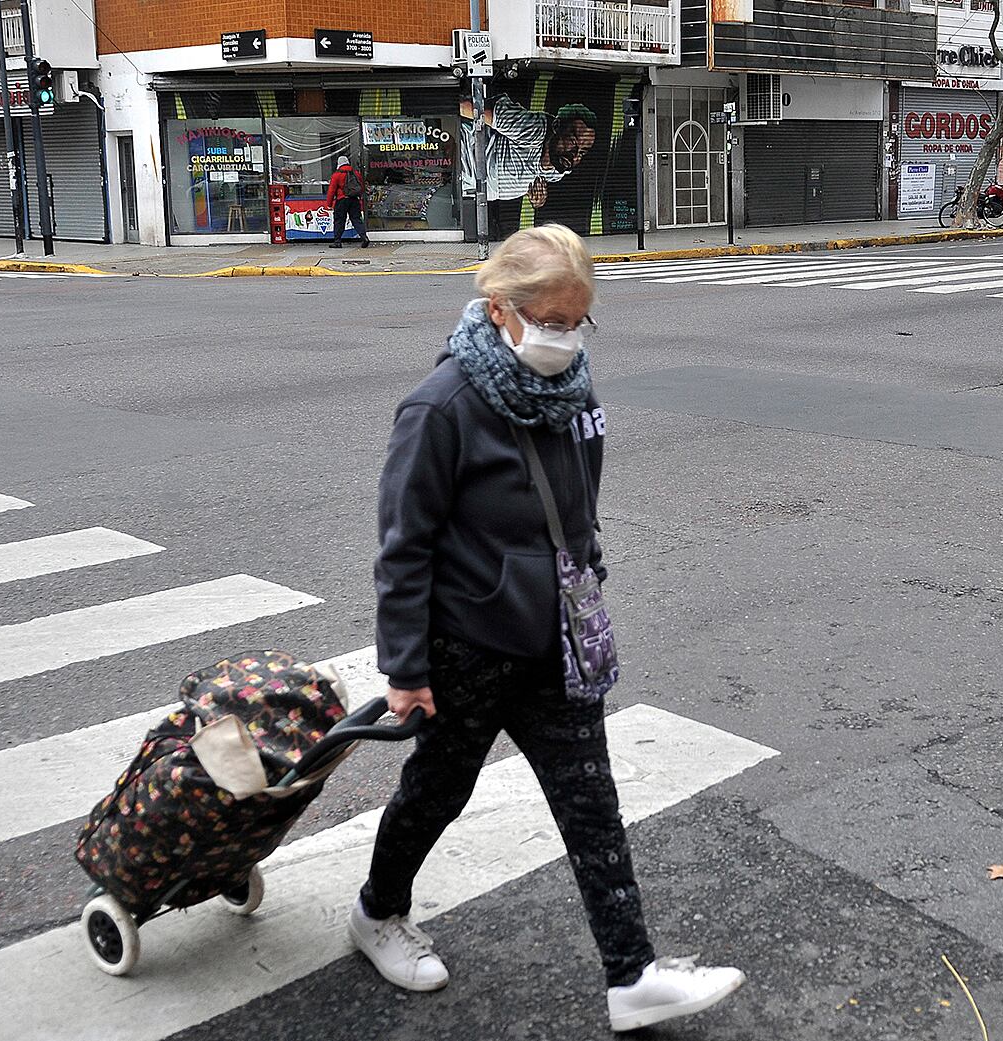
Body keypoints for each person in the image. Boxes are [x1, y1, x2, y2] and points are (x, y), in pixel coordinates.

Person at [347, 225, 746, 1032]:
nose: (563, 336)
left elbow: (578, 504)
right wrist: (405, 667)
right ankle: (376, 913)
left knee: (590, 800)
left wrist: (585, 577)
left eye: (576, 320)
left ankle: (630, 974)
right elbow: (403, 546)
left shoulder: (572, 392)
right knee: (436, 791)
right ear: (501, 310)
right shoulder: (441, 407)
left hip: (554, 639)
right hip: (466, 644)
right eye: (551, 319)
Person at [460, 96, 598, 210]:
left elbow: (522, 176)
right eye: (573, 142)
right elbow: (471, 109)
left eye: (582, 152)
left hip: (463, 186)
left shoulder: (560, 169)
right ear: (556, 126)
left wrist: (537, 200)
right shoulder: (535, 129)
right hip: (457, 154)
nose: (575, 156)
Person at [326, 155, 371, 248]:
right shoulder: (355, 173)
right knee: (356, 219)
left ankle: (337, 241)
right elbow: (361, 186)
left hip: (342, 200)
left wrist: (329, 204)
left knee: (339, 221)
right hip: (354, 200)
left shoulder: (337, 175)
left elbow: (331, 190)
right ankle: (364, 237)